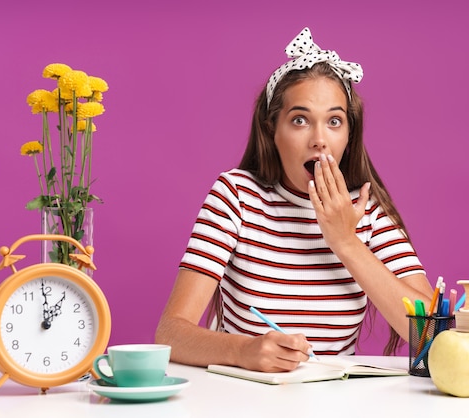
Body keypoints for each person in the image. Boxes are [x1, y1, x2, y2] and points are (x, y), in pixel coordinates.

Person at [155, 27, 433, 373]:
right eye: (300, 120)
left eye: (334, 121)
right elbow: (170, 335)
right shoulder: (236, 196)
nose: (319, 140)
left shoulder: (368, 211)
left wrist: (346, 241)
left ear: (349, 134)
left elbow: (431, 337)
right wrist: (244, 351)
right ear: (272, 130)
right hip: (242, 398)